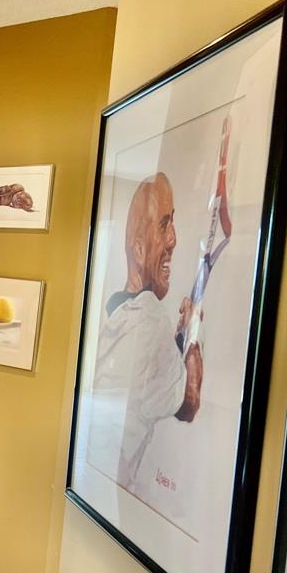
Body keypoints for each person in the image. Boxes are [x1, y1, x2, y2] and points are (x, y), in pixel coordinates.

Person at [93, 172, 204, 494]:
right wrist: (194, 336)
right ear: (139, 250)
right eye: (164, 225)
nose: (174, 240)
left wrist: (178, 340)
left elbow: (144, 373)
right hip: (117, 484)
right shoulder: (150, 319)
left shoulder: (118, 313)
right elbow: (189, 403)